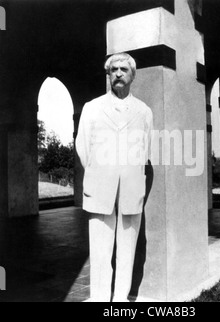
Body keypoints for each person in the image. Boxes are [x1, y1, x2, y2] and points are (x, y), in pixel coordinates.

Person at [76, 53, 153, 302]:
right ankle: (99, 299)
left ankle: (120, 301)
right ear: (108, 75)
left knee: (127, 248)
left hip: (131, 188)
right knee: (99, 249)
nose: (118, 73)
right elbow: (83, 146)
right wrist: (101, 170)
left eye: (124, 69)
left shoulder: (144, 111)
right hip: (100, 186)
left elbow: (145, 149)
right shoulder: (92, 107)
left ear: (132, 75)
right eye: (113, 69)